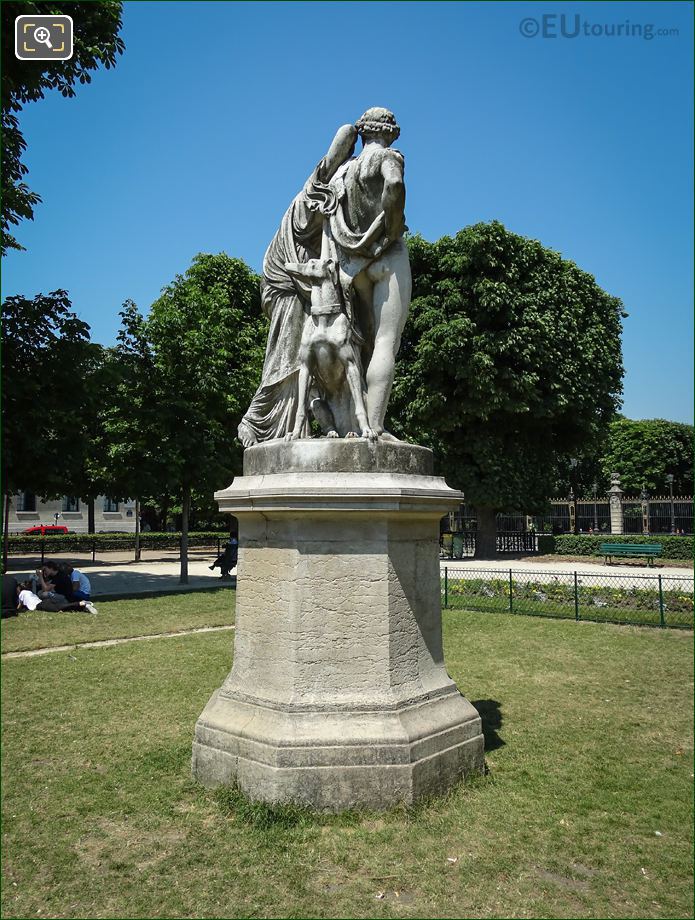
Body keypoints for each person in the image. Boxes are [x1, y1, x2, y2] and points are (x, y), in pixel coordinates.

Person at [16, 582, 96, 614]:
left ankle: (81, 603)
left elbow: (19, 606)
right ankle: (82, 607)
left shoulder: (22, 594)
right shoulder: (30, 593)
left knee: (60, 607)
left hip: (41, 605)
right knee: (63, 606)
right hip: (44, 601)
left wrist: (17, 610)